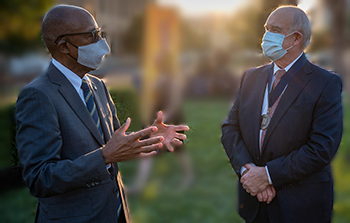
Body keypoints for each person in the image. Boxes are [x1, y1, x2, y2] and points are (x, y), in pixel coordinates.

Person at [15, 5, 189, 223]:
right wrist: (104, 156)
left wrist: (149, 137)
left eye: (101, 34)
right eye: (92, 36)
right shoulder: (38, 95)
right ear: (64, 46)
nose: (103, 45)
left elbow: (114, 144)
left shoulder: (98, 86)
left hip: (115, 212)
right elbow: (40, 178)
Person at [221, 6, 342, 223]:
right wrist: (249, 171)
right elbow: (230, 128)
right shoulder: (250, 78)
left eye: (275, 29)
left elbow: (321, 148)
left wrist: (267, 175)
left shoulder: (325, 83)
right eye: (266, 29)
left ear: (296, 38)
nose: (266, 36)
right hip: (254, 203)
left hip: (300, 206)